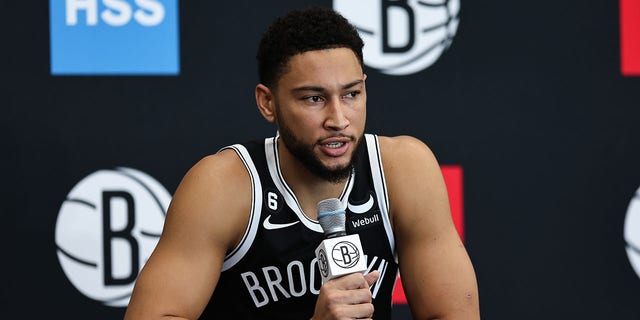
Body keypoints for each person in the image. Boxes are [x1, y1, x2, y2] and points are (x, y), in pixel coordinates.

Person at [124, 6, 479, 320]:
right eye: (313, 98)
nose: (338, 119)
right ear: (267, 103)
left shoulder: (403, 169)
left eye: (351, 94)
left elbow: (451, 312)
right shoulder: (224, 186)